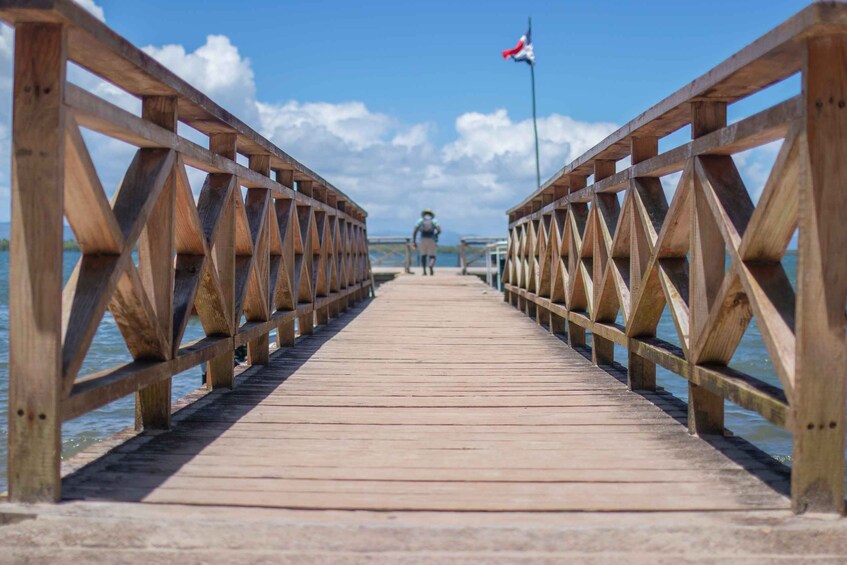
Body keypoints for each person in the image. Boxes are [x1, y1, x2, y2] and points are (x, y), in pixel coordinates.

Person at [412, 208, 441, 276]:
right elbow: (439, 230)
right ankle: (431, 265)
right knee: (432, 256)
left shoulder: (420, 220)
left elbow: (415, 231)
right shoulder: (434, 220)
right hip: (431, 239)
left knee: (423, 255)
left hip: (422, 239)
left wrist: (414, 241)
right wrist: (436, 235)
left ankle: (424, 271)